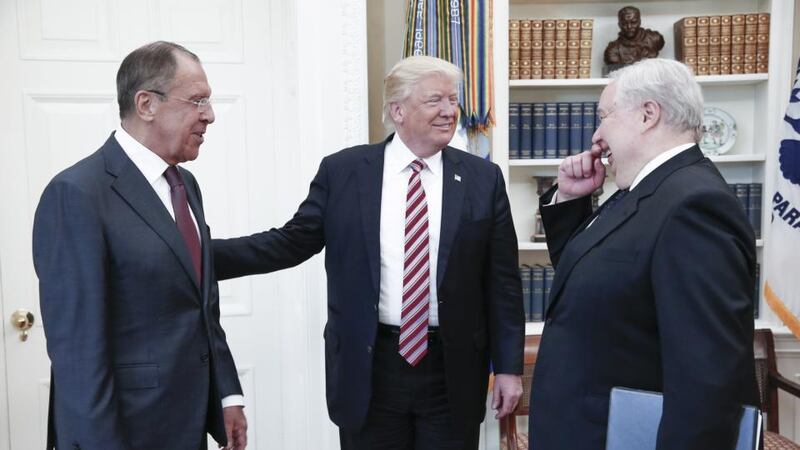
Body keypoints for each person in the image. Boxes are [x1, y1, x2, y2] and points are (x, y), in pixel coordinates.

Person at [212, 55, 525, 449]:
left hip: (452, 369)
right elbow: (290, 242)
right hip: (370, 367)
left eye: (453, 100)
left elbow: (503, 282)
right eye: (435, 101)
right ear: (398, 110)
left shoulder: (483, 177)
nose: (450, 112)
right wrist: (197, 255)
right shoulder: (344, 172)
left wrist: (510, 368)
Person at [528, 58, 760, 449]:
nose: (596, 136)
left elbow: (706, 383)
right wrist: (569, 199)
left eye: (604, 116)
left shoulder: (693, 206)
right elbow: (586, 279)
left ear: (648, 114)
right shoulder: (642, 191)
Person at [32, 41, 247, 450]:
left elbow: (200, 306)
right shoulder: (76, 194)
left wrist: (225, 393)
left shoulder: (184, 185)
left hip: (185, 424)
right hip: (123, 432)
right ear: (146, 104)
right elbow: (78, 356)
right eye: (198, 100)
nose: (210, 115)